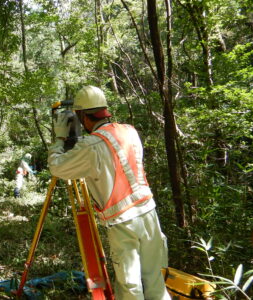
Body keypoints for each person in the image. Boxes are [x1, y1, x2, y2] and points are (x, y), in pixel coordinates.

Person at [48, 86, 170, 300]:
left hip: (123, 221)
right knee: (155, 280)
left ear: (83, 116)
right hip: (149, 213)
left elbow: (58, 168)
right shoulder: (130, 131)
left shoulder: (92, 145)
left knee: (130, 287)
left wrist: (60, 139)